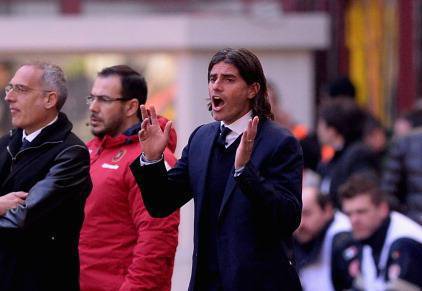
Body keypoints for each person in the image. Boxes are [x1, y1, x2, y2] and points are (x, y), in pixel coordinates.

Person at [130, 48, 303, 291]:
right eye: (213, 78)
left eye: (228, 79)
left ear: (253, 89)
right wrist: (151, 159)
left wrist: (244, 171)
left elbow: (287, 218)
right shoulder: (202, 138)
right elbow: (161, 203)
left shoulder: (280, 141)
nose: (216, 86)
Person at [79, 65, 180, 291]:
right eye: (91, 98)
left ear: (131, 106)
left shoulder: (152, 161)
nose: (93, 107)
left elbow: (157, 241)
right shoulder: (88, 151)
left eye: (104, 99)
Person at [0, 62, 92, 291]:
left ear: (50, 100)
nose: (9, 97)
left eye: (20, 89)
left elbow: (21, 219)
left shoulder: (71, 153)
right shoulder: (5, 145)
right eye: (9, 88)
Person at [333, 174, 422, 291]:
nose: (354, 220)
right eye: (349, 214)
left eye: (361, 212)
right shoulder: (367, 237)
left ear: (383, 209)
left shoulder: (405, 243)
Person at [317, 98, 377, 207]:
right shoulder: (334, 158)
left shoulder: (358, 155)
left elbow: (360, 193)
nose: (318, 130)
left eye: (321, 124)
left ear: (332, 130)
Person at [294, 185, 351, 291]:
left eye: (307, 214)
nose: (300, 224)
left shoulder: (343, 239)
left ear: (327, 210)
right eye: (297, 215)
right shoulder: (302, 237)